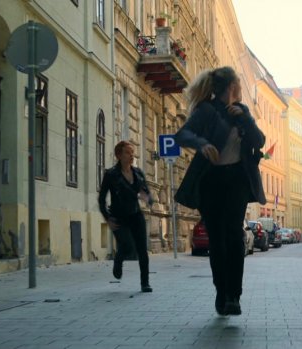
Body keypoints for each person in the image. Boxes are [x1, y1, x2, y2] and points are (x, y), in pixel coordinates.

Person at [174, 66, 266, 315]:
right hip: (211, 181)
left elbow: (259, 141)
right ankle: (221, 292)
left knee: (235, 237)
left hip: (236, 180)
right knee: (217, 241)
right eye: (238, 85)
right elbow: (182, 134)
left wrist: (245, 118)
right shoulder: (206, 110)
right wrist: (201, 143)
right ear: (233, 87)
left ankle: (234, 297)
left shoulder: (242, 113)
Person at [98, 141, 154, 293]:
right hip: (118, 217)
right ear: (119, 155)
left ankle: (145, 283)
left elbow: (148, 196)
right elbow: (102, 199)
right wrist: (107, 218)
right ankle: (118, 260)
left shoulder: (138, 173)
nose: (132, 155)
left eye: (132, 152)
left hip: (135, 214)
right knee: (127, 246)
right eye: (128, 152)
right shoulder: (111, 175)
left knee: (142, 249)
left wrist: (147, 198)